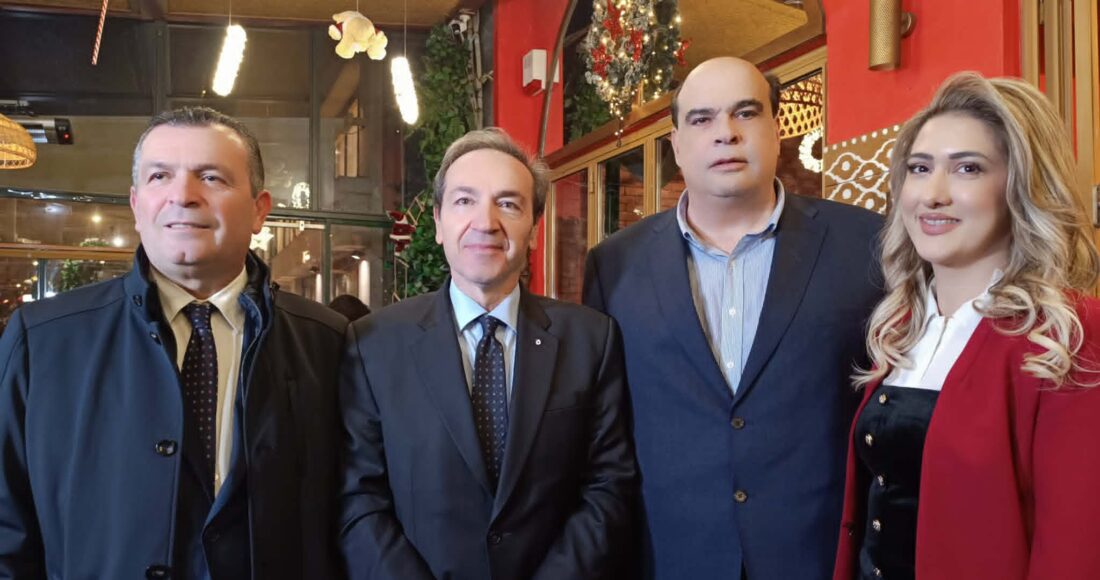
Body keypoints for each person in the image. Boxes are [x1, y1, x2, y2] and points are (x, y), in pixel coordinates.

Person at [0, 107, 347, 579]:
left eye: (211, 177)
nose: (183, 196)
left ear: (259, 209)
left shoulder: (328, 345)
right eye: (160, 176)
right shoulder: (42, 342)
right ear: (136, 204)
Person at [583, 56, 884, 579]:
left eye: (745, 112)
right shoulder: (614, 264)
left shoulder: (867, 245)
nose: (726, 133)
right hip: (670, 559)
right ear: (677, 144)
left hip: (817, 557)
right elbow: (603, 431)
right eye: (702, 119)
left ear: (776, 129)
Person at [833, 73, 1100, 579]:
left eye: (967, 169)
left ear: (1020, 187)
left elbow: (1076, 551)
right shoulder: (901, 326)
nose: (932, 194)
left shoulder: (1071, 333)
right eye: (919, 168)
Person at [339, 128, 636, 579]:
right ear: (438, 223)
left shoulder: (591, 340)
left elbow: (608, 486)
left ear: (534, 228)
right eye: (464, 201)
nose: (486, 222)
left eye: (509, 204)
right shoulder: (373, 344)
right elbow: (359, 497)